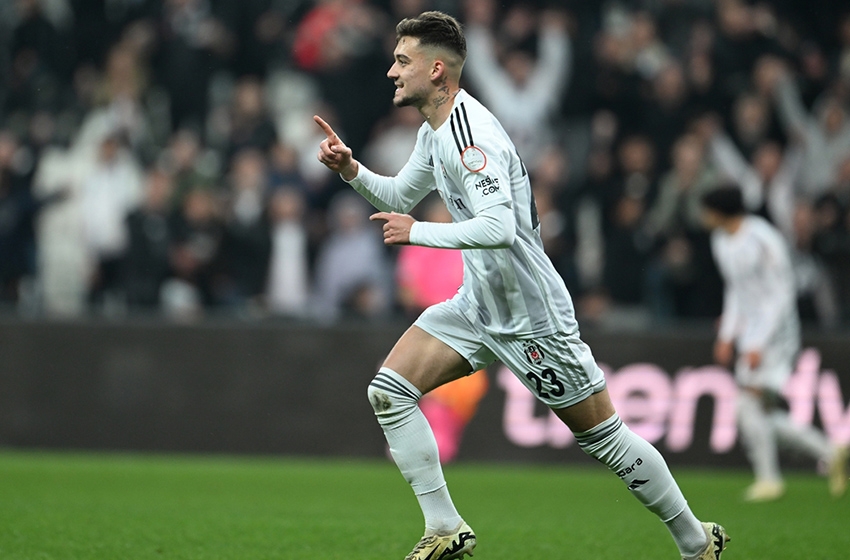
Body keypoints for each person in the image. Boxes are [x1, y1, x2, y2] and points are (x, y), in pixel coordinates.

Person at [314, 12, 729, 560]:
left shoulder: (471, 137)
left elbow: (499, 228)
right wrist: (350, 170)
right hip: (478, 303)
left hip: (531, 315)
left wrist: (419, 233)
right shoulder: (433, 131)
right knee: (389, 391)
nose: (392, 71)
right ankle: (445, 527)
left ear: (436, 70)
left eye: (402, 61)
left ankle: (696, 541)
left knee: (604, 438)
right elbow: (397, 196)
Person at [702, 185, 849, 502]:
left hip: (778, 334)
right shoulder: (720, 241)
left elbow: (782, 293)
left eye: (707, 210)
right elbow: (735, 290)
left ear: (719, 210)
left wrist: (759, 342)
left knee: (747, 405)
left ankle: (769, 480)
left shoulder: (764, 238)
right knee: (758, 413)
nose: (704, 217)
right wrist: (727, 334)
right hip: (751, 335)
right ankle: (831, 451)